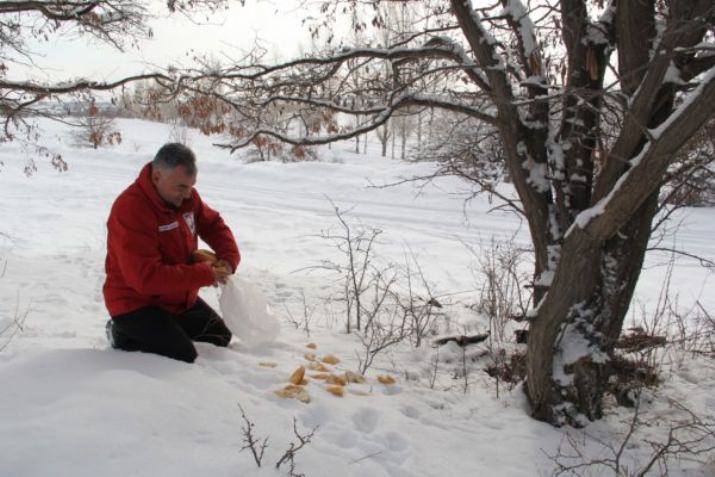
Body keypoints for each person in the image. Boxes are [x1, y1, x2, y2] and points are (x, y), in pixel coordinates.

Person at [102, 143, 240, 363]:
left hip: (176, 297)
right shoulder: (131, 210)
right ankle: (120, 333)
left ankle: (167, 327)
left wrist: (228, 259)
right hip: (135, 303)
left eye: (191, 187)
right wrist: (203, 274)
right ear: (157, 177)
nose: (187, 194)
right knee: (182, 355)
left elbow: (213, 225)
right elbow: (145, 278)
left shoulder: (187, 197)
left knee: (219, 337)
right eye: (181, 187)